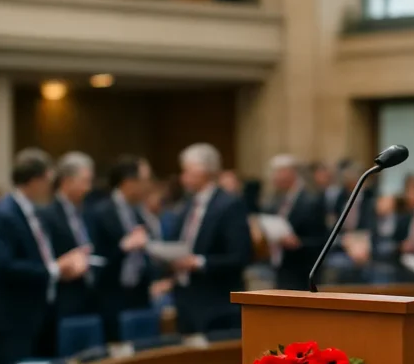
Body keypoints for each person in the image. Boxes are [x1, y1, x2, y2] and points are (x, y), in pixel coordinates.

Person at [0, 149, 89, 364]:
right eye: (47, 180)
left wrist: (64, 262)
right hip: (14, 317)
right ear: (34, 180)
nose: (50, 187)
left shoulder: (32, 210)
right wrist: (55, 269)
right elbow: (3, 267)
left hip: (40, 312)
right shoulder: (5, 213)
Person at [168, 144, 251, 333]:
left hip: (216, 301)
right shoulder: (188, 204)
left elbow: (240, 256)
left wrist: (198, 262)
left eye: (186, 171)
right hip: (186, 296)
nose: (183, 177)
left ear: (202, 171)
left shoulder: (229, 204)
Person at [90, 156, 154, 340]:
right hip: (112, 297)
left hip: (140, 294)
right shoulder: (100, 211)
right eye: (143, 181)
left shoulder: (139, 211)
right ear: (129, 183)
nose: (147, 186)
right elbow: (96, 257)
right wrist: (123, 247)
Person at [40, 152, 98, 321]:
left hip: (90, 297)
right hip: (63, 300)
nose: (88, 188)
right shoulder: (46, 215)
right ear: (66, 181)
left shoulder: (88, 212)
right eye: (84, 182)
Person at [265, 154, 328, 290]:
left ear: (290, 173)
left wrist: (299, 243)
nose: (274, 177)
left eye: (277, 172)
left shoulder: (311, 200)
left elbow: (322, 239)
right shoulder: (275, 199)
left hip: (304, 269)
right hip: (281, 266)